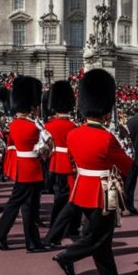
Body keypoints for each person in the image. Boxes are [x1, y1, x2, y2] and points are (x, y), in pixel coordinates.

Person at [51, 69, 134, 275]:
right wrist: (125, 148)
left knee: (103, 241)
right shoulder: (107, 137)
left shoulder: (74, 134)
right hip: (103, 191)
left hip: (82, 188)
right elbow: (126, 165)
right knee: (99, 238)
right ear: (106, 112)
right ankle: (67, 257)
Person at [0, 76, 49, 251]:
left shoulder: (15, 124)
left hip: (22, 167)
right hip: (31, 168)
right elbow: (45, 146)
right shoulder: (34, 126)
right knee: (17, 204)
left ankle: (32, 242)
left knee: (28, 206)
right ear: (31, 106)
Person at [44, 80, 78, 237]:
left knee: (59, 197)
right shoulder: (73, 126)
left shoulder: (49, 126)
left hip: (55, 163)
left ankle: (56, 225)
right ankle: (68, 227)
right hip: (70, 165)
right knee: (70, 198)